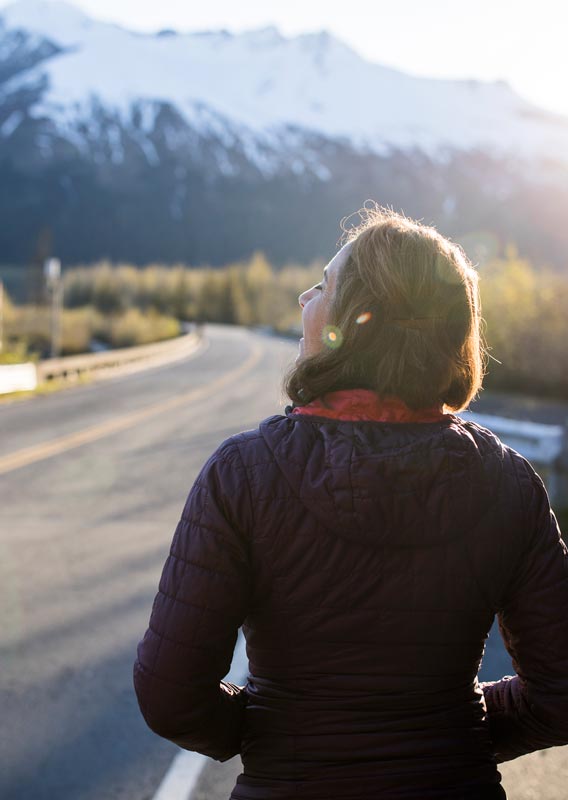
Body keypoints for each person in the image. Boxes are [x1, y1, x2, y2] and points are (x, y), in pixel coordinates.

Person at [133, 205, 568, 799]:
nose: (304, 299)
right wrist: (448, 732)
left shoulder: (244, 474)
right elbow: (561, 690)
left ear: (357, 323)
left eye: (324, 286)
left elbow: (170, 695)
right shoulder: (508, 483)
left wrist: (278, 732)